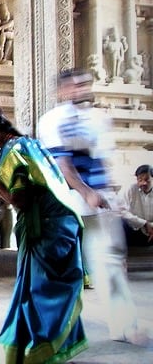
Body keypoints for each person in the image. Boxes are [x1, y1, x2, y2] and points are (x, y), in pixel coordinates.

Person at [0, 103, 88, 363]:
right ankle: (49, 349)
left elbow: (19, 200)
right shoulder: (25, 144)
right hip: (56, 224)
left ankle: (38, 350)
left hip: (46, 228)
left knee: (40, 292)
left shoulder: (14, 152)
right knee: (41, 289)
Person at [39, 69, 148, 345]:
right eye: (72, 86)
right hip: (64, 202)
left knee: (109, 262)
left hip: (97, 201)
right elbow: (63, 164)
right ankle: (51, 333)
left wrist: (110, 195)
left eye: (83, 85)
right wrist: (85, 192)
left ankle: (124, 325)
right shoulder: (53, 120)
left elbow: (103, 161)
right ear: (62, 91)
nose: (78, 91)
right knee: (55, 270)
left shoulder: (99, 119)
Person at [120, 164, 153, 247]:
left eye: (147, 180)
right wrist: (144, 223)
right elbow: (122, 211)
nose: (143, 183)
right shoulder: (130, 189)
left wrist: (151, 226)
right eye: (140, 180)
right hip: (134, 230)